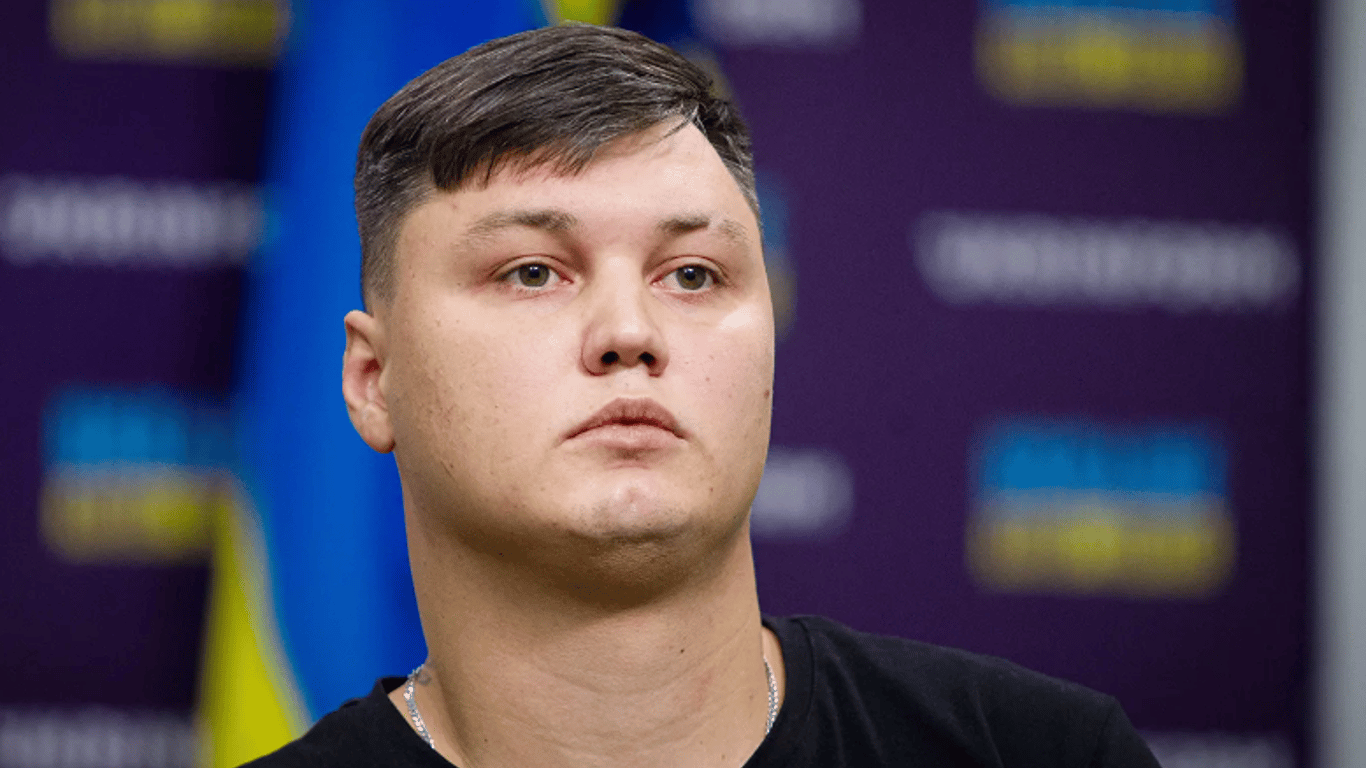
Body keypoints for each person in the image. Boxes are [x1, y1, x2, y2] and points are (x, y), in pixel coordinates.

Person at [245, 23, 1160, 768]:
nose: (630, 330)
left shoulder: (1042, 754)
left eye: (691, 274)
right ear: (373, 382)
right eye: (532, 272)